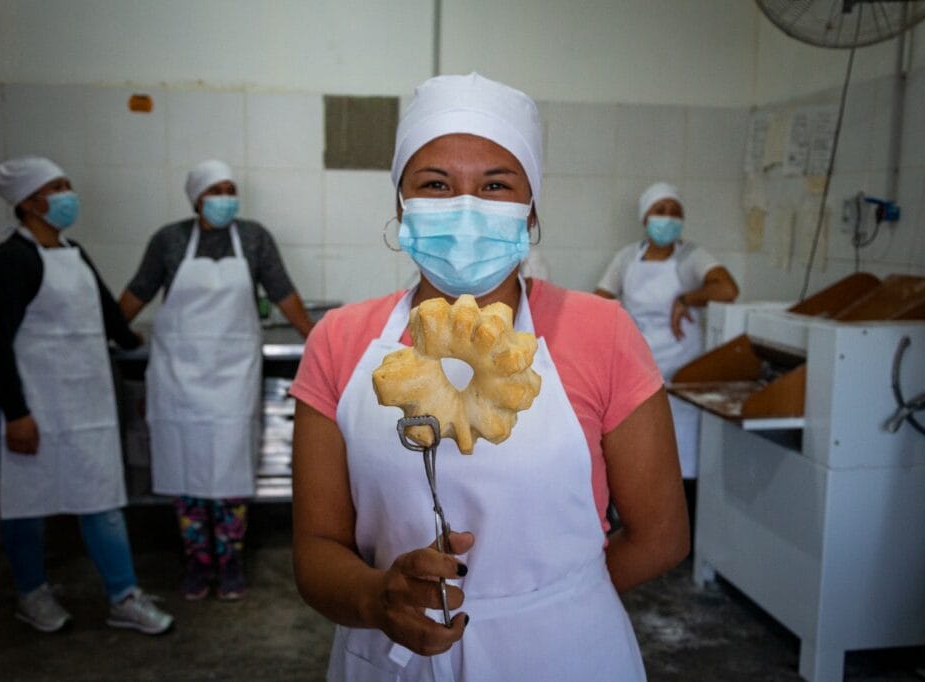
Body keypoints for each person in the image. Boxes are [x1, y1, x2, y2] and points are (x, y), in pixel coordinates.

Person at [290, 73, 689, 681]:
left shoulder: (601, 334)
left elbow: (661, 534)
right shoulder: (341, 343)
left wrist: (550, 601)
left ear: (531, 208)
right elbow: (316, 547)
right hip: (392, 657)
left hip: (564, 656)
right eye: (436, 184)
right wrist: (378, 599)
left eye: (496, 184)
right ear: (401, 204)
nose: (466, 207)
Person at [0, 156, 174, 635]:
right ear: (28, 202)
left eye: (66, 185)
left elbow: (107, 314)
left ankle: (124, 596)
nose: (67, 195)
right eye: (56, 187)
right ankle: (31, 593)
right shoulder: (8, 261)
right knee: (27, 503)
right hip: (14, 403)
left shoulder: (72, 251)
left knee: (100, 496)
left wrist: (136, 344)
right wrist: (17, 414)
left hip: (81, 407)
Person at [119, 160, 314, 601]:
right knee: (186, 479)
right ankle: (197, 564)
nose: (226, 197)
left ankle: (228, 563)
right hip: (178, 379)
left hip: (232, 378)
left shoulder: (253, 238)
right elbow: (136, 294)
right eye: (216, 190)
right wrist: (111, 334)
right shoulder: (168, 241)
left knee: (230, 476)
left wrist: (318, 342)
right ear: (197, 198)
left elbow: (284, 293)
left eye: (231, 189)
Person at [594, 182, 739, 525]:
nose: (668, 219)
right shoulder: (627, 257)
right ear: (645, 217)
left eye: (675, 213)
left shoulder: (691, 257)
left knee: (684, 450)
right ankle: (631, 525)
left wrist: (687, 299)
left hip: (681, 369)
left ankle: (682, 532)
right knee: (631, 448)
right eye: (661, 211)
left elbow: (728, 289)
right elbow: (600, 299)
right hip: (636, 365)